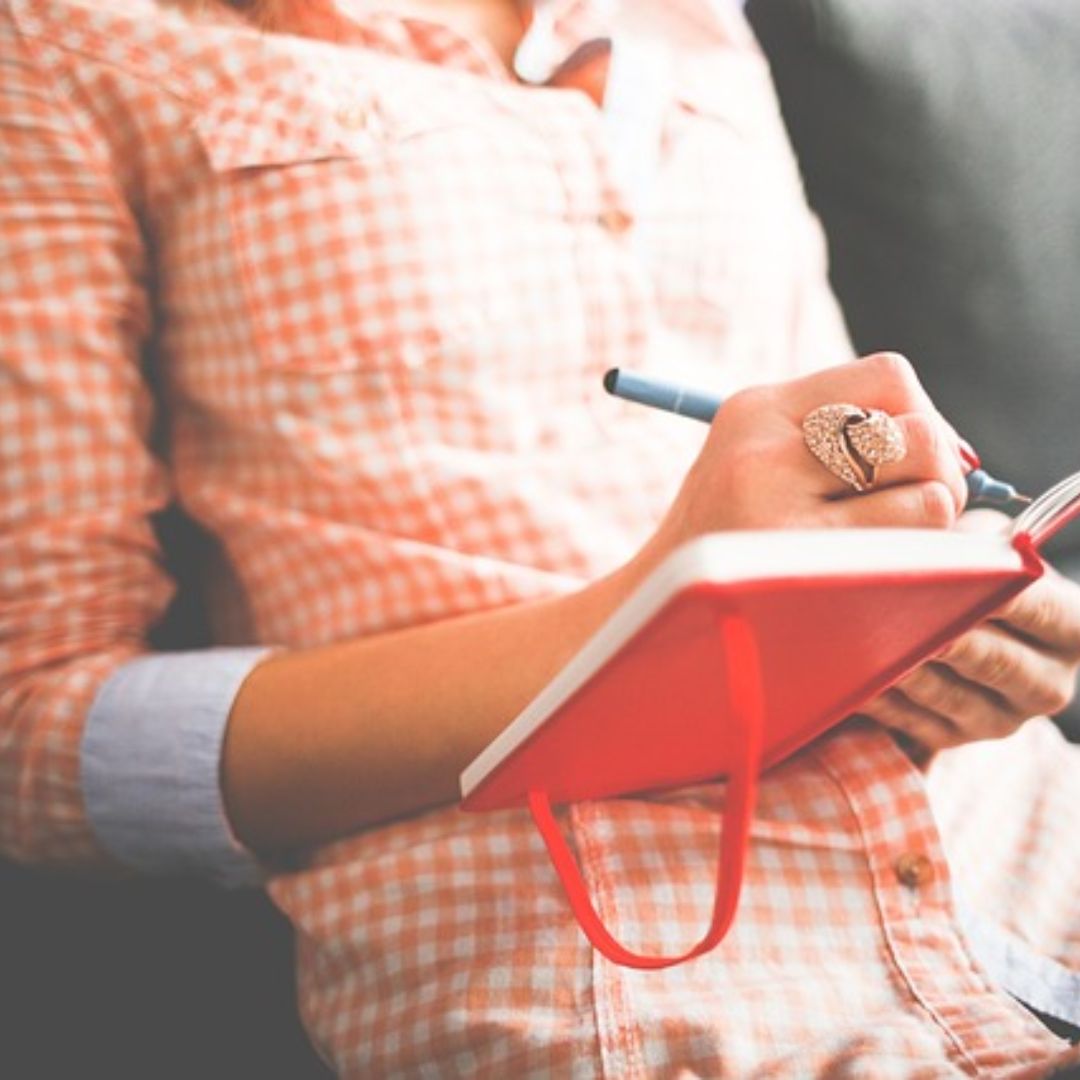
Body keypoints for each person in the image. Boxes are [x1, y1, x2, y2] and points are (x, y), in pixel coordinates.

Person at [2, 0, 1080, 1074]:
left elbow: (839, 446)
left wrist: (939, 586)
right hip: (635, 961)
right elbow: (32, 731)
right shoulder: (67, 40)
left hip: (1012, 836)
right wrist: (652, 622)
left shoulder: (692, 20)